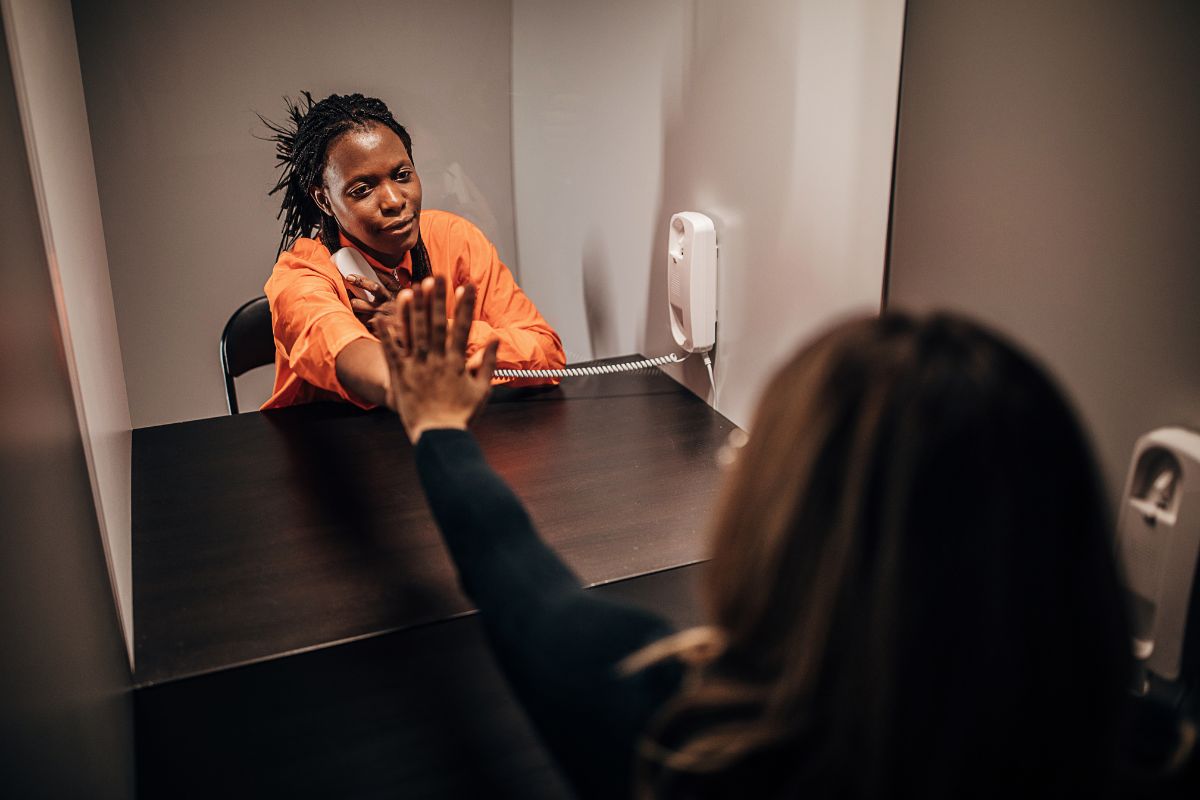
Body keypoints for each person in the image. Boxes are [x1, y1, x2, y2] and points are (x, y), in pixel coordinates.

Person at [376, 276, 1135, 799]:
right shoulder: (1146, 750)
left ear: (797, 537)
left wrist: (438, 429)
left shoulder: (684, 743)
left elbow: (517, 583)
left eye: (752, 451)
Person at [258, 92, 564, 410]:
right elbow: (336, 343)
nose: (394, 200)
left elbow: (547, 353)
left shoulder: (454, 239)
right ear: (324, 200)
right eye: (362, 189)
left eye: (402, 176)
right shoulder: (301, 277)